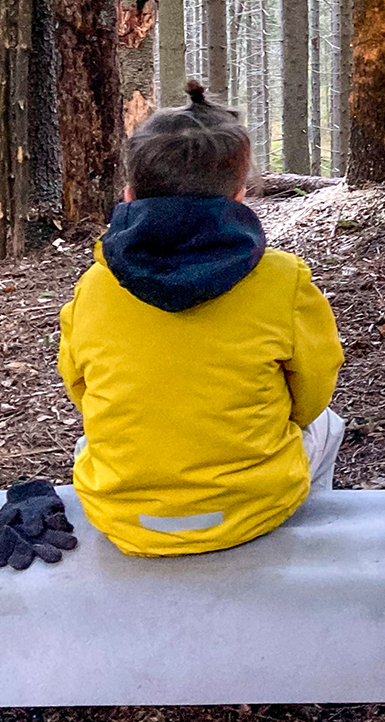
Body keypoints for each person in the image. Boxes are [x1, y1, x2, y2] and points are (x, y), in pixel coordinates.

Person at [58, 83, 345, 557]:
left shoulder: (96, 285)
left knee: (91, 442)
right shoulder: (283, 279)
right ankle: (303, 549)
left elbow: (81, 389)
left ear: (130, 193)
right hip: (253, 509)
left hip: (122, 517)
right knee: (328, 424)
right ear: (239, 194)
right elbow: (312, 394)